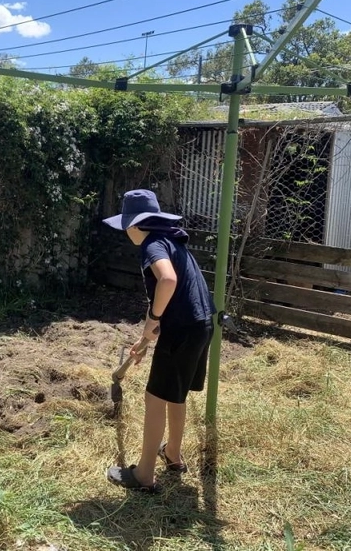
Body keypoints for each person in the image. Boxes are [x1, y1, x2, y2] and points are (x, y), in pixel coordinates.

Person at [102, 189, 216, 494]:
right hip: (201, 325)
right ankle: (173, 453)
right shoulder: (172, 240)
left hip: (181, 329)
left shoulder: (152, 244)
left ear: (135, 225)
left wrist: (154, 319)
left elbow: (167, 281)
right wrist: (146, 337)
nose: (125, 231)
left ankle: (144, 475)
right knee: (176, 394)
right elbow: (164, 298)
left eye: (126, 225)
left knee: (154, 398)